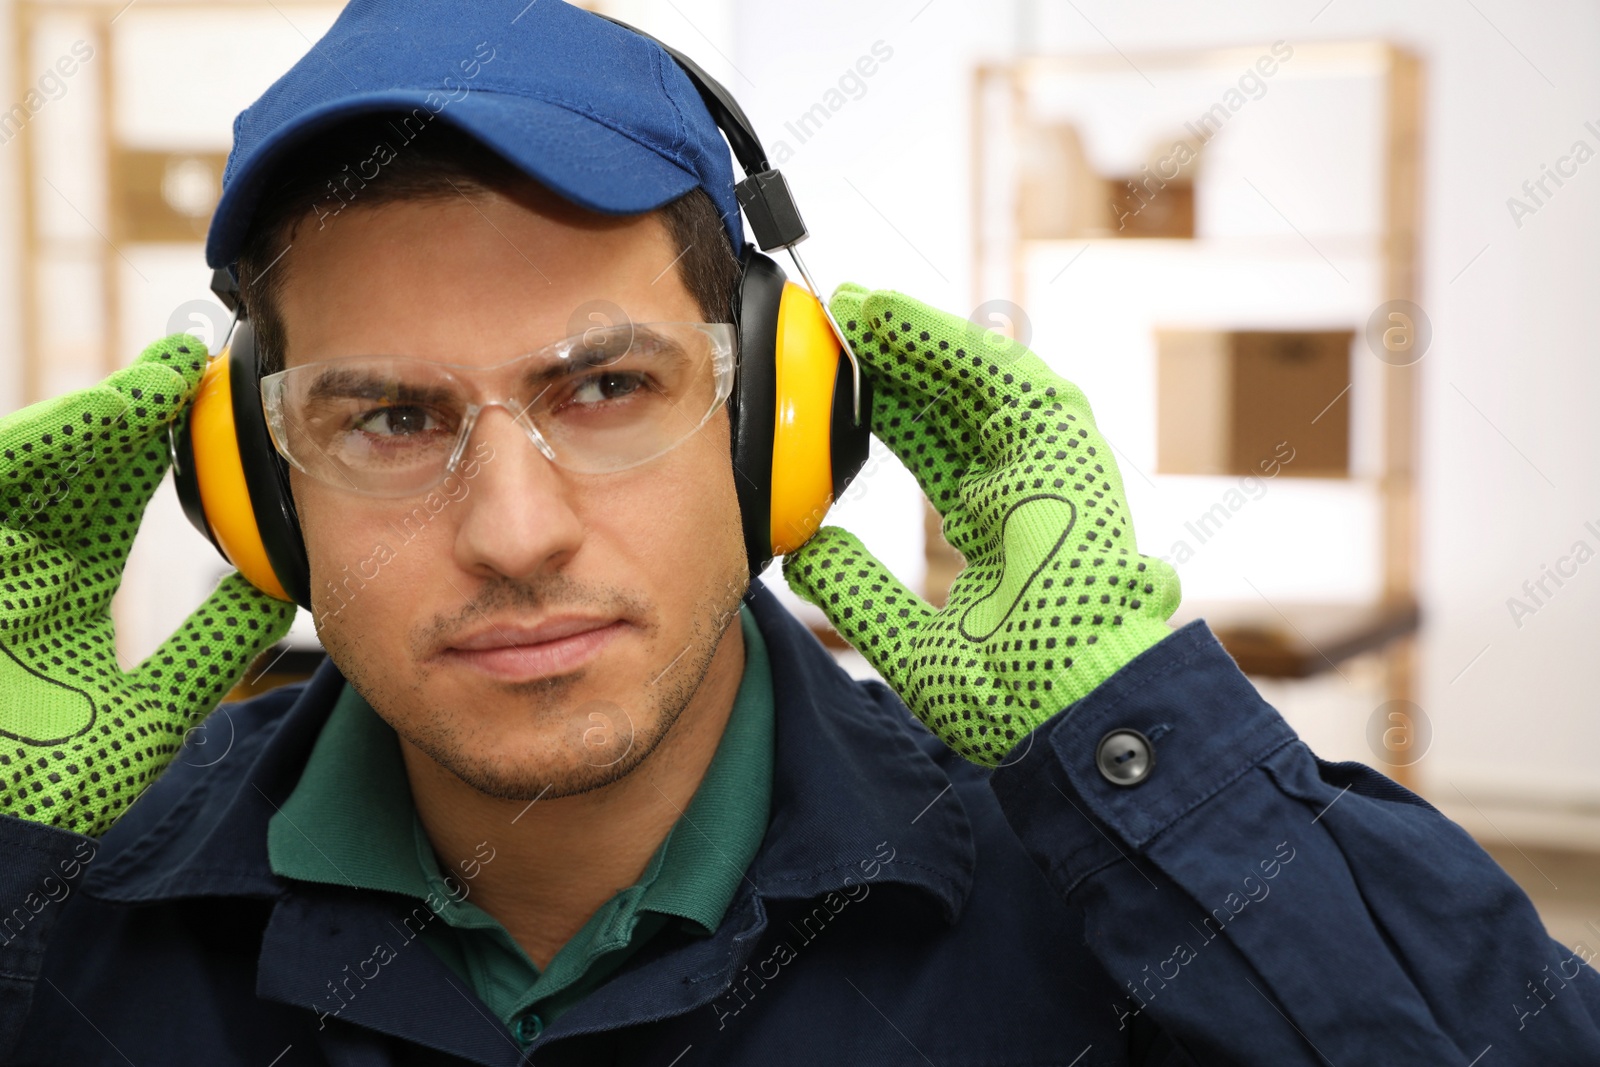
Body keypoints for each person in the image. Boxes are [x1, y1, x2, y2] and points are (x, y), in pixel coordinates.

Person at [0, 2, 1596, 1064]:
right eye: (390, 419)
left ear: (786, 420)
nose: (512, 530)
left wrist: (1147, 758)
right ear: (258, 488)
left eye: (609, 384)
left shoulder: (1108, 904)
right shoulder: (77, 900)